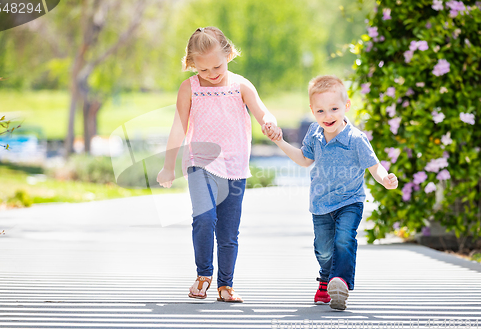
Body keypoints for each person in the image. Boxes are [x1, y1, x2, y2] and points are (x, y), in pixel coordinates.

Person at [157, 27, 281, 303]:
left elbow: (262, 111)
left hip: (235, 166)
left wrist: (269, 123)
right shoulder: (189, 89)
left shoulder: (241, 85)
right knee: (204, 218)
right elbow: (178, 128)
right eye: (203, 70)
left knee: (228, 229)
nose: (212, 73)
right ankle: (204, 275)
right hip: (200, 162)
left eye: (217, 66)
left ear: (229, 54)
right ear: (192, 65)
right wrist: (168, 166)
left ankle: (226, 285)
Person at [265, 75, 398, 310]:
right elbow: (305, 160)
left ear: (346, 106)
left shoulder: (356, 139)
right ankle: (326, 280)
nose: (328, 116)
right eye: (321, 111)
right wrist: (281, 142)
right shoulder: (315, 135)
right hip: (321, 204)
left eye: (334, 109)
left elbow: (374, 165)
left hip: (350, 201)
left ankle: (341, 282)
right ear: (312, 111)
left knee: (344, 239)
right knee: (324, 249)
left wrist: (384, 178)